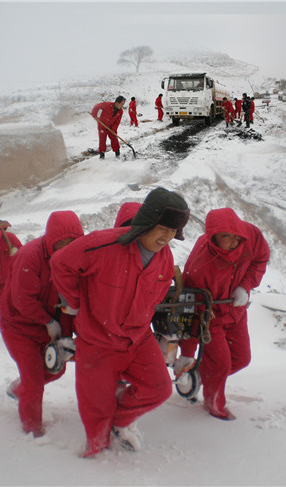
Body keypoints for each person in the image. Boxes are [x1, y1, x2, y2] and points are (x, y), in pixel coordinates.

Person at [50, 187, 190, 457]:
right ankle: (96, 454)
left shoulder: (165, 258)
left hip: (138, 339)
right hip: (98, 341)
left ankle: (120, 421)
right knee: (95, 413)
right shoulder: (103, 244)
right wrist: (76, 301)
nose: (167, 237)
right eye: (163, 228)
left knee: (158, 389)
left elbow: (157, 296)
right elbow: (61, 264)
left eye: (173, 232)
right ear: (147, 223)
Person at [178, 208, 270, 420]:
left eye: (236, 235)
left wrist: (245, 286)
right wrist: (187, 352)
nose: (234, 241)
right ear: (213, 238)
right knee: (221, 365)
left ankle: (200, 375)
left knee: (242, 358)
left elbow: (261, 258)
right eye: (226, 237)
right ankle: (214, 405)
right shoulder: (201, 266)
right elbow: (189, 308)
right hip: (210, 319)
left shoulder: (251, 236)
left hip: (236, 312)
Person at [0, 211, 84, 437]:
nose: (66, 248)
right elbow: (21, 299)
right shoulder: (30, 256)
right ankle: (32, 429)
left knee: (56, 369)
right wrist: (46, 321)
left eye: (72, 242)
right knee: (35, 381)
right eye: (61, 243)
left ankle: (20, 388)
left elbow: (68, 301)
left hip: (48, 326)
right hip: (19, 328)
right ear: (51, 239)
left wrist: (65, 333)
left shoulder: (74, 261)